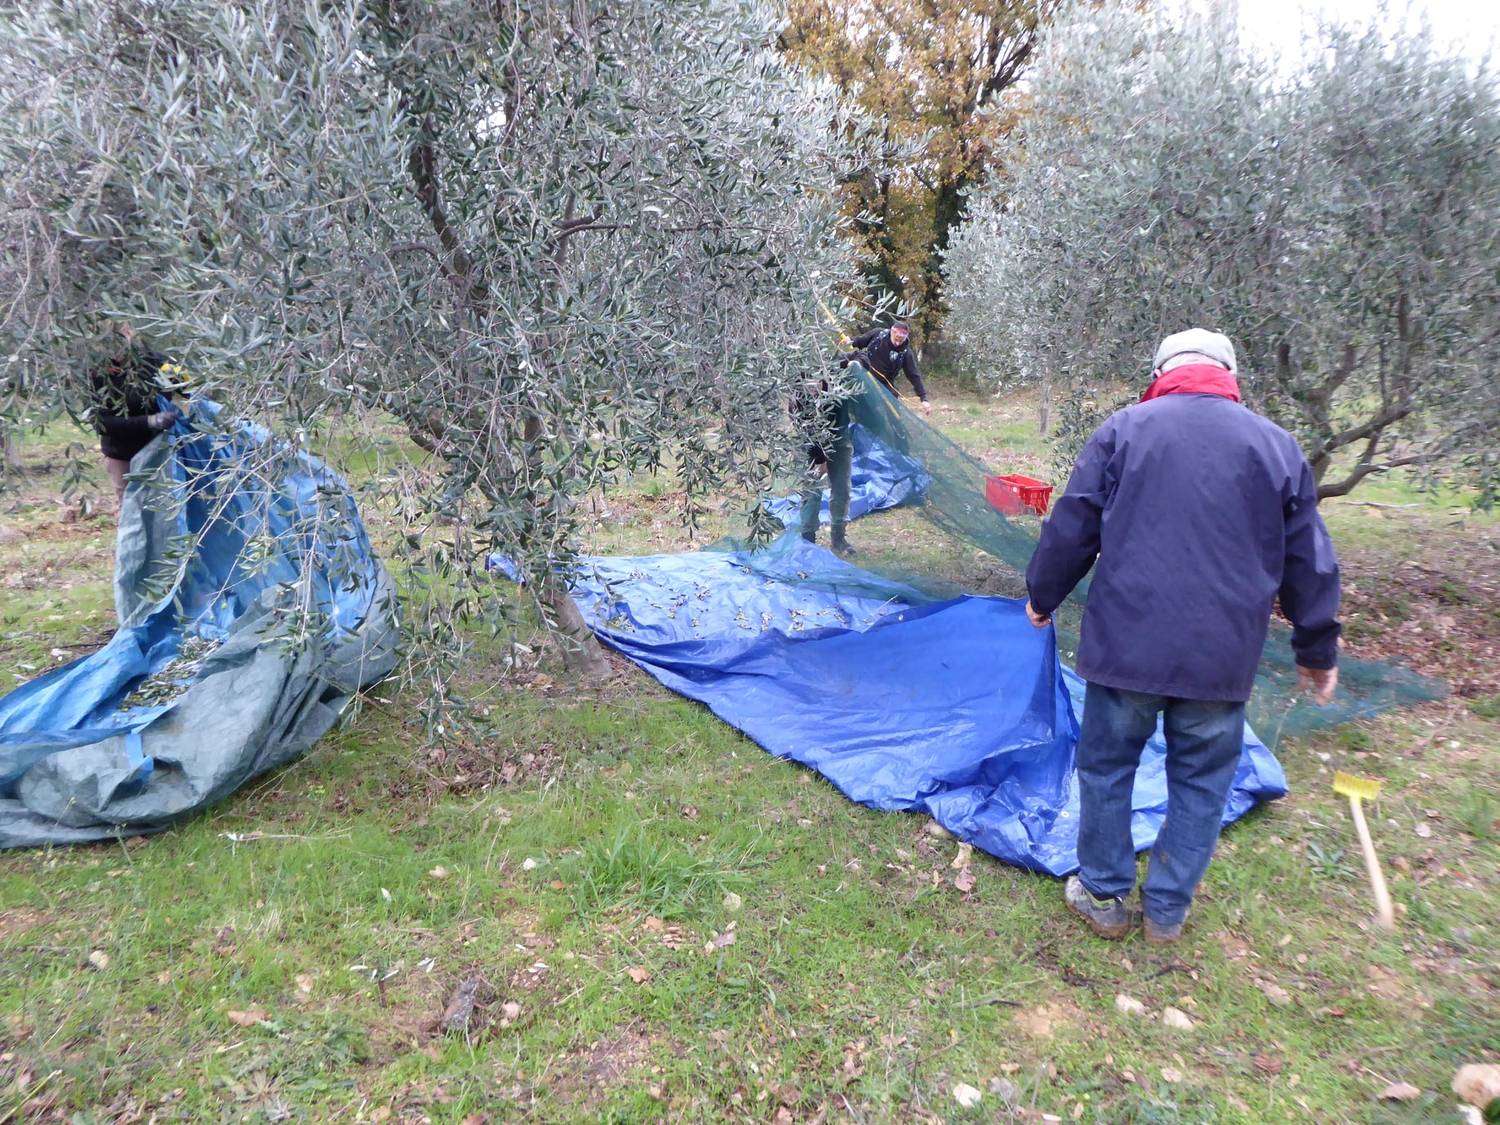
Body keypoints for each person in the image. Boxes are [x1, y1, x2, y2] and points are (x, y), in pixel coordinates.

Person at [1023, 328, 1340, 946]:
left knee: (1108, 769)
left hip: (1126, 652)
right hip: (1220, 661)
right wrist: (1317, 649)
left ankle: (1105, 895)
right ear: (1230, 376)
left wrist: (1042, 595)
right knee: (1202, 781)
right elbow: (1311, 561)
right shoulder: (1278, 448)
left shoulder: (1124, 430)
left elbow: (1074, 522)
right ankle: (1167, 911)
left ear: (1163, 371)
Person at [89, 327, 181, 507]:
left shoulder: (155, 361)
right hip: (123, 457)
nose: (117, 348)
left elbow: (187, 385)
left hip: (159, 451)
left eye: (121, 341)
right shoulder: (97, 374)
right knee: (132, 509)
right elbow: (101, 423)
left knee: (163, 508)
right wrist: (150, 421)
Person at [792, 371, 856, 556]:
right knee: (812, 490)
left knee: (842, 488)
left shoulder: (836, 388)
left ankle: (838, 539)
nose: (813, 389)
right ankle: (807, 539)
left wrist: (858, 363)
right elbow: (807, 432)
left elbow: (858, 358)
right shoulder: (799, 399)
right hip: (811, 443)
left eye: (817, 384)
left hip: (839, 439)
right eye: (809, 385)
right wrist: (820, 460)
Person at [843, 320, 931, 414]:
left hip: (884, 383)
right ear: (892, 332)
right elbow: (860, 341)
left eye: (901, 341)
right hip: (864, 373)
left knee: (892, 407)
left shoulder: (906, 353)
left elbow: (914, 375)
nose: (897, 343)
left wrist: (923, 398)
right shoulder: (878, 334)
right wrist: (850, 341)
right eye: (896, 339)